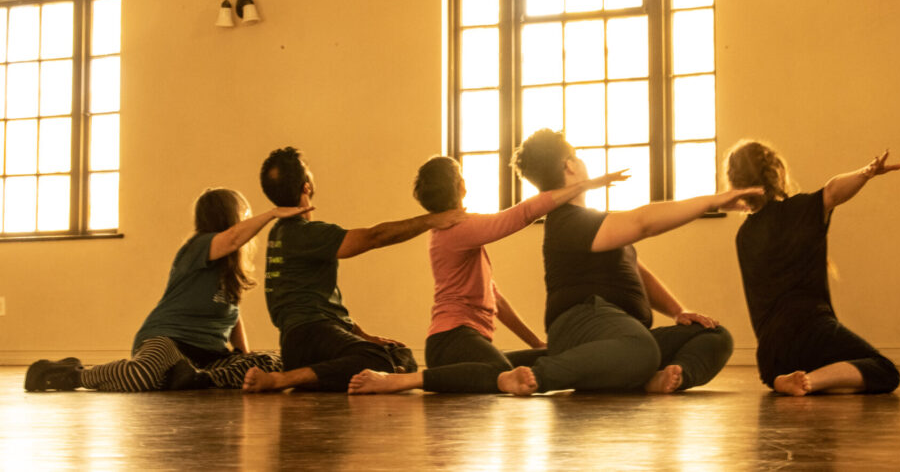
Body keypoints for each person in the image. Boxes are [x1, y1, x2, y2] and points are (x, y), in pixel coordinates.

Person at [491, 128, 758, 396]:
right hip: (583, 322)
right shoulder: (565, 220)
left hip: (624, 333)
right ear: (569, 165)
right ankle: (538, 376)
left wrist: (678, 311)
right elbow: (643, 223)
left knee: (715, 335)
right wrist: (713, 200)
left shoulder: (593, 222)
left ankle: (664, 377)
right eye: (577, 156)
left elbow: (636, 270)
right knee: (641, 349)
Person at [348, 155, 627, 395]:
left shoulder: (453, 231)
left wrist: (536, 342)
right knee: (500, 371)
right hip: (451, 341)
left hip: (465, 344)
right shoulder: (457, 229)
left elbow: (495, 300)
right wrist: (586, 185)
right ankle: (401, 381)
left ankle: (614, 379)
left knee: (550, 356)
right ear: (461, 187)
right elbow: (523, 213)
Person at [24, 188, 304, 392]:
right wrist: (272, 214)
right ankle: (75, 375)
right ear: (228, 218)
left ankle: (199, 379)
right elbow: (232, 239)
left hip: (205, 358)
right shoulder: (198, 247)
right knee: (143, 377)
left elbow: (232, 314)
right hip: (168, 342)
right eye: (243, 215)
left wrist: (244, 355)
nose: (247, 222)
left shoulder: (230, 269)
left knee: (273, 361)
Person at [242, 147, 467, 393]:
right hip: (308, 336)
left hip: (309, 340)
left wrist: (363, 335)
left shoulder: (281, 233)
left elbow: (325, 303)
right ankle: (282, 379)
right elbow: (374, 237)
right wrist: (431, 220)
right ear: (306, 186)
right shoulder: (303, 233)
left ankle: (324, 376)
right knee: (378, 359)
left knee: (399, 354)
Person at [725, 140, 900, 396]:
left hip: (770, 357)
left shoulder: (744, 235)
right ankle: (811, 381)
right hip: (813, 331)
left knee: (829, 363)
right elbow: (832, 191)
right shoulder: (802, 209)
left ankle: (783, 380)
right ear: (776, 172)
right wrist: (867, 172)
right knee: (885, 370)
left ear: (736, 182)